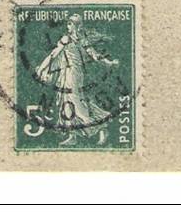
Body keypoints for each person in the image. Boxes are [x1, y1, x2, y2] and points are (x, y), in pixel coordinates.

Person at [34, 14, 119, 147]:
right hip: (71, 73)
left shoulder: (67, 39)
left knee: (76, 104)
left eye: (70, 24)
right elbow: (95, 56)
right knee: (67, 103)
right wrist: (109, 62)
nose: (68, 26)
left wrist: (41, 69)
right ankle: (73, 135)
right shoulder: (80, 39)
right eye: (68, 24)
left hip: (72, 74)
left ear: (76, 26)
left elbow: (53, 55)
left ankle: (100, 127)